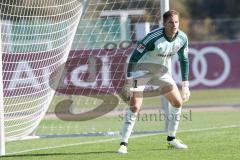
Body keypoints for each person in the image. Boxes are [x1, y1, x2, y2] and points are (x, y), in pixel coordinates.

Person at [117, 10, 190, 154]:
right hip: (141, 72)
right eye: (171, 22)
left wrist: (186, 85)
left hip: (160, 73)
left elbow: (184, 60)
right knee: (135, 106)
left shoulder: (182, 38)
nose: (174, 25)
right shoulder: (152, 37)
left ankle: (171, 139)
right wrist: (129, 80)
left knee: (177, 102)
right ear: (164, 24)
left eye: (176, 22)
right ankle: (123, 143)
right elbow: (133, 58)